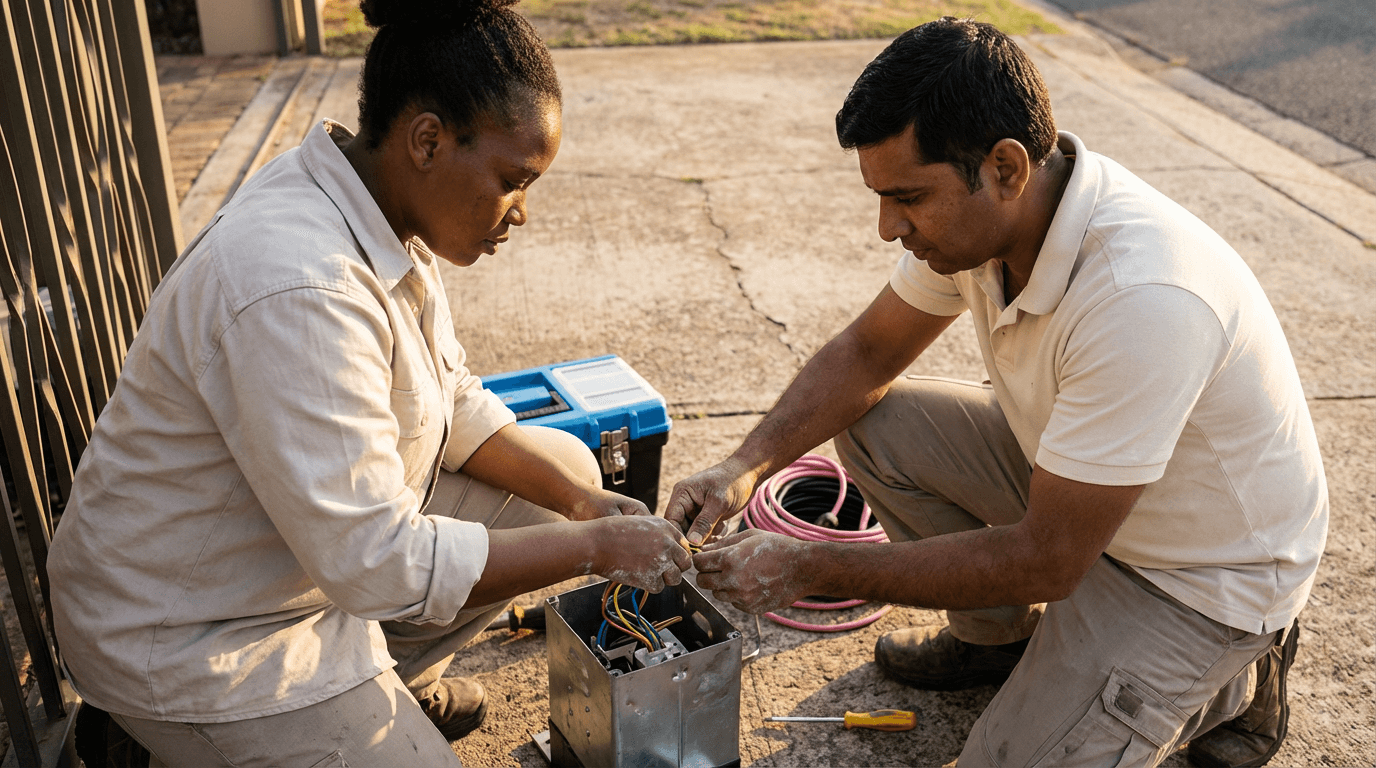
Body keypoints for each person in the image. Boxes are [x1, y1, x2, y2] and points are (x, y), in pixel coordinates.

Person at [668, 18, 1327, 768]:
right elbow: (867, 351)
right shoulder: (989, 224)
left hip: (1198, 575)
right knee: (880, 426)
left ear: (1007, 168)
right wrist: (742, 466)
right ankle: (996, 641)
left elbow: (1048, 559)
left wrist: (807, 567)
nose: (888, 228)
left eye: (907, 197)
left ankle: (1237, 673)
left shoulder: (1144, 295)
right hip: (1082, 502)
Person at [47, 0, 691, 764]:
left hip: (296, 570)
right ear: (427, 139)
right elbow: (379, 562)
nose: (521, 213)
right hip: (191, 635)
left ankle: (381, 684)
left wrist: (587, 508)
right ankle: (150, 734)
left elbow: (452, 405)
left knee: (568, 475)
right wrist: (599, 547)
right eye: (513, 181)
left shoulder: (379, 210)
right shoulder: (298, 285)